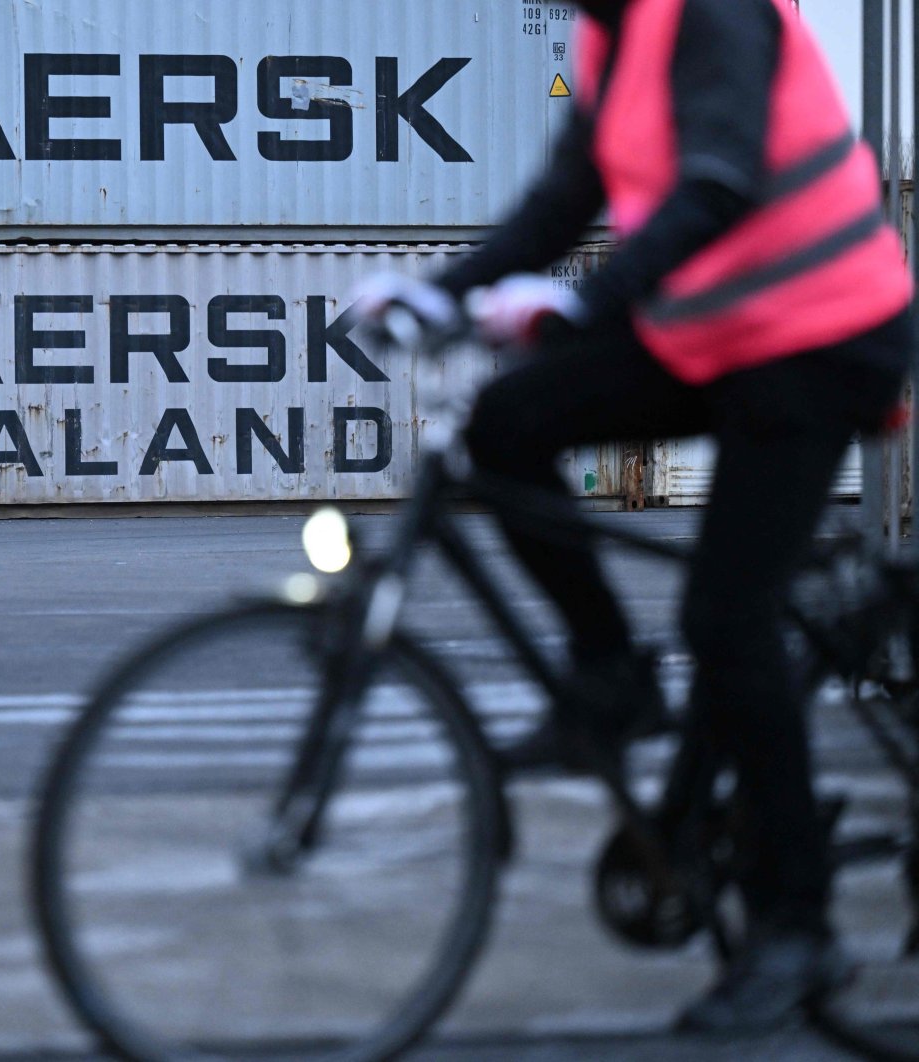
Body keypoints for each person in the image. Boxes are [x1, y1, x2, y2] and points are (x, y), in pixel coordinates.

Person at [350, 0, 914, 1035]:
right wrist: (442, 290)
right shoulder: (609, 36)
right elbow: (564, 197)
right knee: (506, 422)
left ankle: (797, 925)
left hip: (824, 334)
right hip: (720, 335)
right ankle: (609, 682)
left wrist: (586, 302)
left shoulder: (713, 14)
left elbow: (717, 181)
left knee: (725, 619)